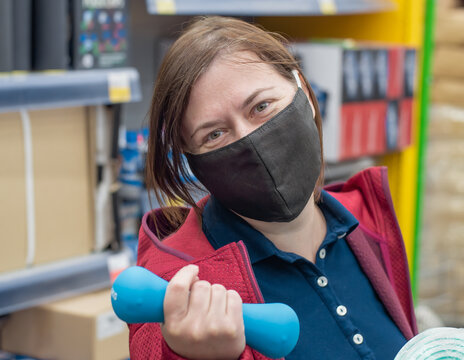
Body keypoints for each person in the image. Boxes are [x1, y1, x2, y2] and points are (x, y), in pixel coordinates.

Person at [129, 16, 417, 360]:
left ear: (305, 94)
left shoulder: (368, 221)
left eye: (261, 107)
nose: (249, 140)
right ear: (194, 162)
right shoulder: (175, 287)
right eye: (214, 134)